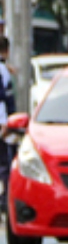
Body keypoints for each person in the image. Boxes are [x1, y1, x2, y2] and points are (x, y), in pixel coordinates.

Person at [0, 36, 14, 217]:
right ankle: (5, 202)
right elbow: (5, 101)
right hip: (2, 125)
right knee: (5, 165)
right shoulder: (3, 71)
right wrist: (7, 124)